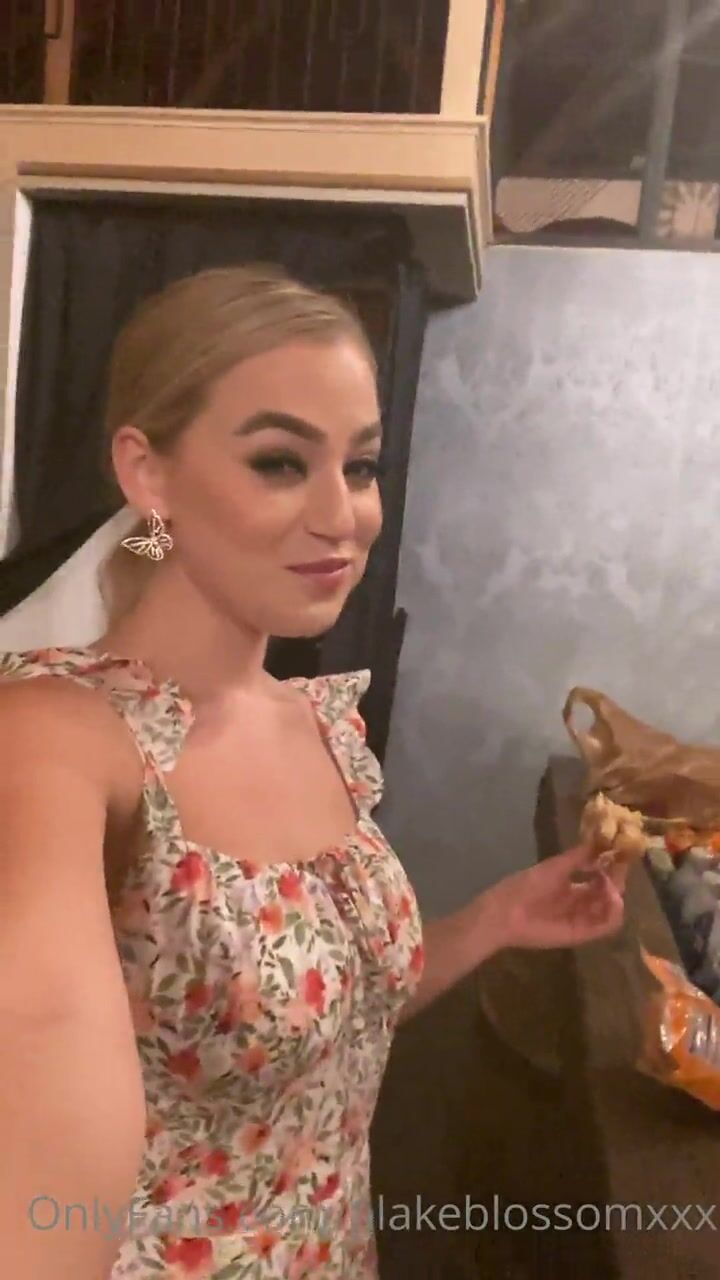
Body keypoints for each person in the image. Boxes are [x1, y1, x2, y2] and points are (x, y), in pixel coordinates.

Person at [0, 266, 627, 1280]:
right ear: (149, 474)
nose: (345, 514)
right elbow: (38, 1055)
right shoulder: (55, 737)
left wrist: (497, 917)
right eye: (282, 461)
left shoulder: (322, 726)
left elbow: (318, 1016)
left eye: (361, 465)